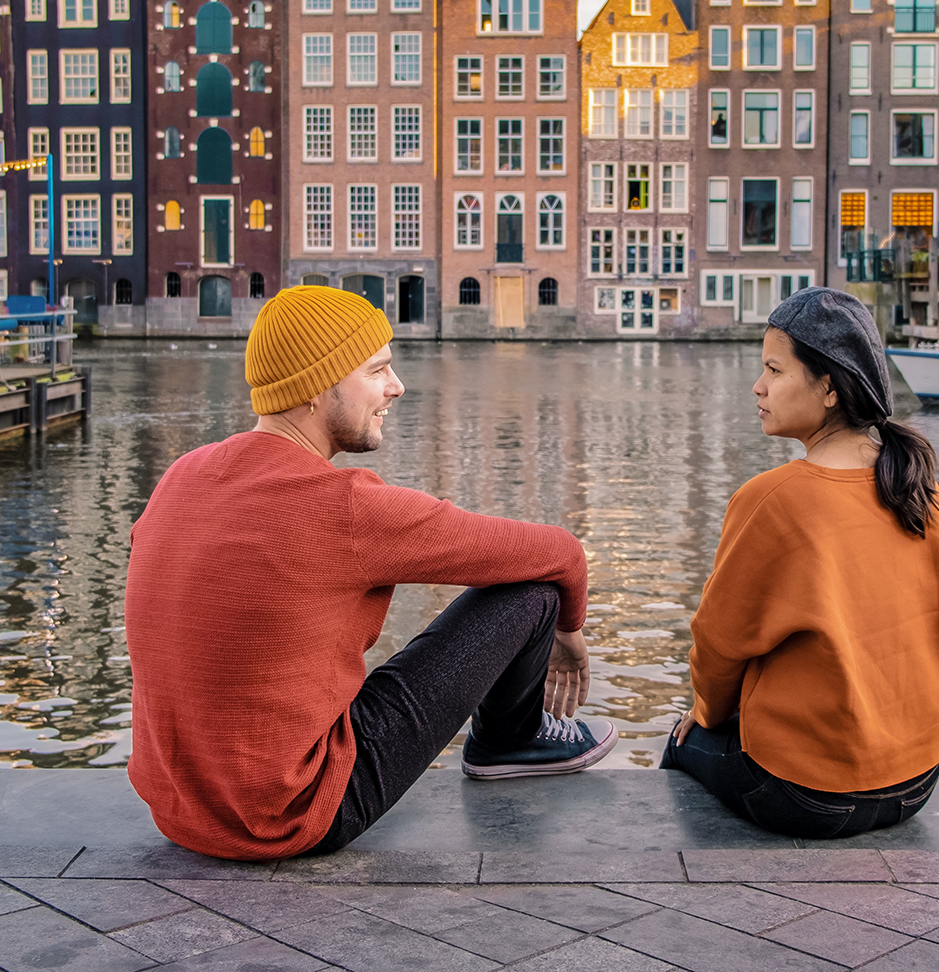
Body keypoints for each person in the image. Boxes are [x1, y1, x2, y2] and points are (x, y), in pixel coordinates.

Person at [126, 286, 616, 861]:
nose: (397, 387)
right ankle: (511, 741)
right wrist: (569, 635)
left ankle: (512, 739)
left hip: (180, 811)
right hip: (293, 813)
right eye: (377, 369)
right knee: (531, 589)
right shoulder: (344, 504)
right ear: (316, 387)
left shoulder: (182, 476)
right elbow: (560, 552)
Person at [661, 286, 939, 840]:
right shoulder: (920, 488)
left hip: (810, 795)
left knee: (685, 739)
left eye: (774, 371)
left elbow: (719, 644)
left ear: (827, 388)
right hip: (920, 779)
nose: (757, 386)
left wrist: (707, 714)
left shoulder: (774, 499)